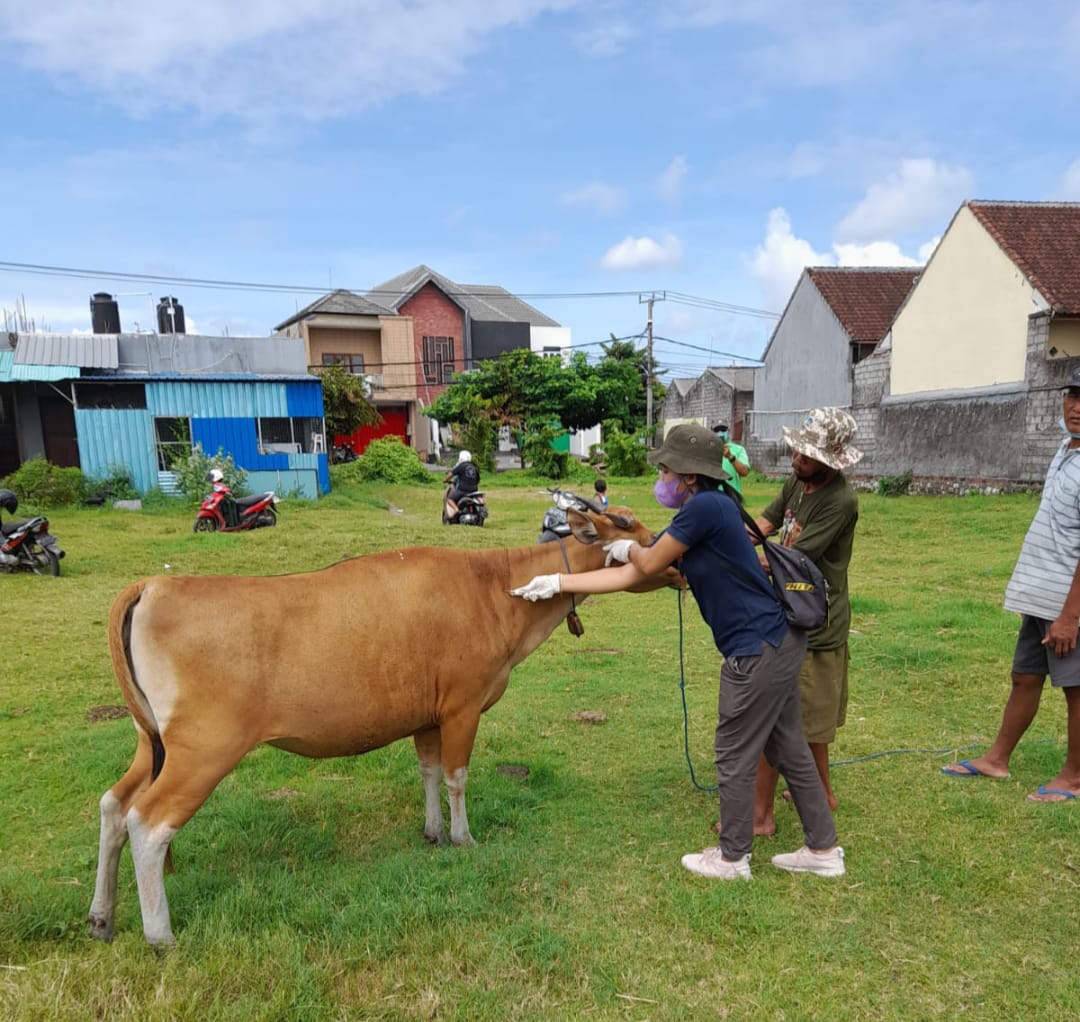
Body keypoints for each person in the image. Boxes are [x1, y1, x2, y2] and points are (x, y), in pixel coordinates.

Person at [509, 423, 845, 879]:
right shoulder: (713, 506)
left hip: (756, 648)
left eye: (667, 470)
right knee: (788, 747)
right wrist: (559, 583)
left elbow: (644, 562)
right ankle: (823, 851)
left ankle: (732, 858)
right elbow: (634, 574)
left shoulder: (704, 507)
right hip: (779, 641)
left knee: (733, 750)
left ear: (688, 475)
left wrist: (626, 548)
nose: (662, 478)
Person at [941, 371, 1080, 802]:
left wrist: (1070, 615)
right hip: (1040, 593)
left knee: (1076, 689)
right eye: (1072, 395)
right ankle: (997, 759)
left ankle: (1074, 777)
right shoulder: (1066, 450)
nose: (1076, 406)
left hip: (1067, 602)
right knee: (1024, 676)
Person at [747, 407, 861, 835]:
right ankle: (820, 790)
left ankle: (760, 817)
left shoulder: (840, 501)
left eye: (807, 456)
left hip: (817, 619)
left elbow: (789, 559)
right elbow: (766, 523)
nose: (796, 459)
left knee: (786, 718)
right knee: (807, 719)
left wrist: (739, 562)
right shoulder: (798, 479)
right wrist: (732, 536)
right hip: (789, 612)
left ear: (831, 461)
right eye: (797, 450)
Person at [712, 422, 750, 497]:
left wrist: (730, 457)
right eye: (717, 430)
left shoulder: (738, 449)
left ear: (728, 431)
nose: (720, 433)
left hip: (733, 495)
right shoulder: (707, 450)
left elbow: (744, 472)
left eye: (723, 430)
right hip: (712, 495)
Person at [444, 450, 480, 521]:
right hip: (474, 490)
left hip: (462, 490)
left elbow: (451, 474)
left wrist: (445, 480)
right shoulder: (474, 467)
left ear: (460, 458)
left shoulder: (460, 466)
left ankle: (456, 509)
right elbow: (478, 480)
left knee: (449, 499)